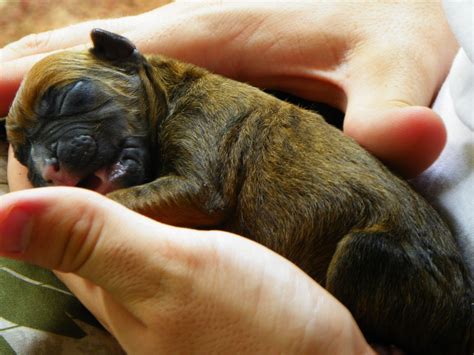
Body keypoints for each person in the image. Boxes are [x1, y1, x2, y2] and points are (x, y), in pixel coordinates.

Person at [0, 1, 468, 354]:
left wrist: (93, 211)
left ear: (124, 57)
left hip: (398, 271)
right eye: (31, 148)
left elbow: (200, 195)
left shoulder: (200, 106)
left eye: (76, 101)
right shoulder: (156, 106)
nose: (50, 160)